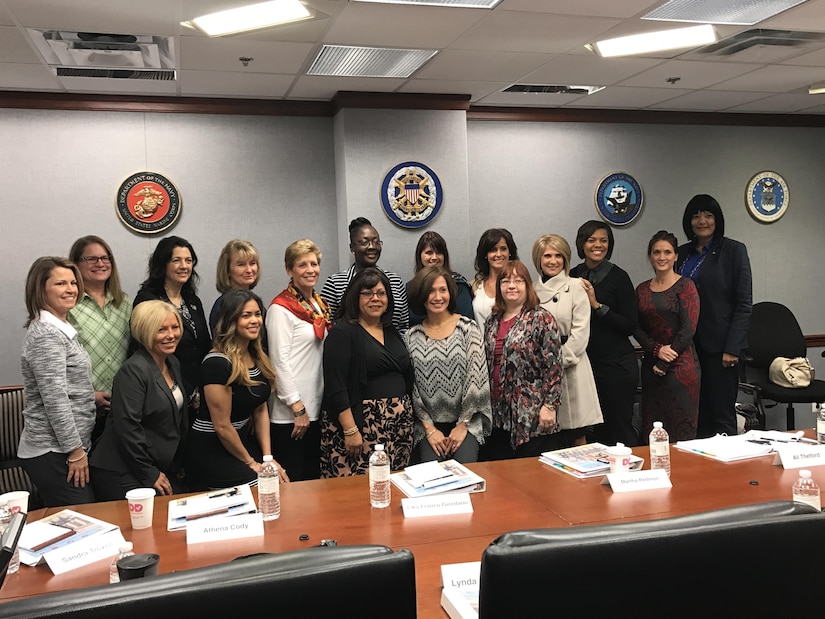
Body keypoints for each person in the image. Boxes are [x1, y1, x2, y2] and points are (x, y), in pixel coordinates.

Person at [186, 290, 287, 489]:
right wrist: (251, 463)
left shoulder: (256, 355)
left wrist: (267, 458)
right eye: (246, 315)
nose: (255, 320)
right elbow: (222, 426)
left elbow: (260, 409)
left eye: (257, 314)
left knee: (278, 478)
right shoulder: (217, 363)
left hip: (239, 444)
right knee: (264, 486)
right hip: (211, 448)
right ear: (231, 320)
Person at [90, 301, 188, 501]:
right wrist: (148, 472)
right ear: (145, 331)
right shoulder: (133, 371)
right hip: (121, 469)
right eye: (161, 330)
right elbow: (127, 427)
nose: (171, 335)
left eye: (175, 327)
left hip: (154, 464)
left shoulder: (172, 362)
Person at [320, 267, 414, 476]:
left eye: (381, 293)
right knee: (358, 494)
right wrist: (350, 429)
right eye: (367, 293)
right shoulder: (342, 332)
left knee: (395, 487)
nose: (375, 299)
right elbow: (336, 385)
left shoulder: (391, 331)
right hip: (360, 427)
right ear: (355, 297)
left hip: (397, 428)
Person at [18, 257, 95, 506]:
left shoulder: (60, 328)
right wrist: (75, 451)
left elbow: (59, 385)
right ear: (41, 289)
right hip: (54, 451)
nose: (71, 289)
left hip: (63, 448)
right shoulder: (46, 335)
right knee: (82, 523)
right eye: (61, 283)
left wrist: (91, 397)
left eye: (73, 282)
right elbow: (55, 400)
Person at [677, 194, 753, 438]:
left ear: (717, 220)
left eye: (708, 215)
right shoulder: (681, 253)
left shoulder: (734, 251)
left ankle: (728, 473)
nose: (702, 221)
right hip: (687, 347)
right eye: (696, 215)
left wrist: (733, 347)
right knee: (695, 415)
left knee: (721, 416)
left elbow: (743, 304)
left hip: (720, 349)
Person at [406, 266, 492, 463]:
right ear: (422, 295)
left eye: (442, 290)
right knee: (431, 477)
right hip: (427, 425)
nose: (437, 297)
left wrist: (463, 424)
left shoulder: (467, 329)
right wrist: (429, 428)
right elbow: (412, 387)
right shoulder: (411, 337)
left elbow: (476, 379)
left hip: (466, 422)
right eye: (431, 291)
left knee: (466, 471)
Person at [483, 260, 563, 460]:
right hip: (498, 414)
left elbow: (554, 367)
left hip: (532, 413)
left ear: (528, 286)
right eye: (506, 281)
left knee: (534, 478)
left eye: (518, 281)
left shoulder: (541, 318)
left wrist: (550, 406)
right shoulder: (492, 321)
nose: (511, 286)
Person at [570, 221, 640, 447]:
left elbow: (630, 325)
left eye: (603, 240)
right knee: (592, 433)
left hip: (616, 366)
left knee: (618, 430)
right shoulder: (572, 275)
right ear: (582, 244)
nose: (597, 245)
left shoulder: (619, 277)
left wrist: (597, 306)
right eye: (591, 240)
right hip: (584, 365)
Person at [266, 239, 330, 481]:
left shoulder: (319, 304)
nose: (310, 269)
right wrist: (297, 406)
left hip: (315, 408)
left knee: (314, 481)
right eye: (302, 265)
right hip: (291, 415)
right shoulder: (280, 309)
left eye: (314, 263)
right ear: (289, 270)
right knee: (296, 483)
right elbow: (278, 362)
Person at [532, 234, 602, 447]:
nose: (553, 261)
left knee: (576, 437)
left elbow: (580, 334)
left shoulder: (576, 286)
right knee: (546, 439)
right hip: (539, 371)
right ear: (538, 260)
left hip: (571, 365)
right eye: (547, 256)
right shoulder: (531, 290)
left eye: (558, 256)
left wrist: (556, 362)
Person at [134, 236, 210, 419]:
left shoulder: (192, 300)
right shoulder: (148, 300)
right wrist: (188, 392)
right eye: (176, 260)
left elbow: (204, 344)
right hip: (165, 392)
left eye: (188, 260)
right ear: (163, 264)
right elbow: (149, 351)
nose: (184, 266)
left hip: (198, 392)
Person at [636, 231, 701, 441]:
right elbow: (635, 327)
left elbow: (688, 328)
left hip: (681, 368)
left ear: (675, 256)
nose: (662, 257)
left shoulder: (686, 286)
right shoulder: (642, 290)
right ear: (650, 256)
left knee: (681, 432)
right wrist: (657, 351)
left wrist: (665, 361)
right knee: (653, 433)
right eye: (656, 252)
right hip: (651, 368)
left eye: (667, 252)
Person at [67, 235, 132, 441]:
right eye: (91, 259)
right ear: (76, 265)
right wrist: (88, 396)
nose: (101, 263)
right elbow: (56, 364)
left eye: (106, 258)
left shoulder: (125, 303)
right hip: (80, 411)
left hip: (122, 409)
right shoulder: (68, 306)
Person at [320, 217, 409, 333]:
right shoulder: (335, 283)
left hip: (391, 348)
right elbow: (326, 326)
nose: (372, 247)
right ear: (352, 247)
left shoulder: (395, 281)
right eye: (364, 242)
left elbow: (404, 326)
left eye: (376, 242)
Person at [407, 231, 474, 326]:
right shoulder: (410, 288)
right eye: (429, 253)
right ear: (420, 256)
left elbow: (466, 320)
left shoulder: (458, 285)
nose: (434, 257)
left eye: (438, 253)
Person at [210, 239, 261, 334]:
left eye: (252, 263)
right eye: (241, 264)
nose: (249, 270)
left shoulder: (254, 302)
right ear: (227, 270)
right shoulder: (223, 306)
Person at [471, 228, 518, 331]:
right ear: (485, 255)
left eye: (503, 249)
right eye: (493, 250)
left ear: (510, 252)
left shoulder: (520, 285)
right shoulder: (474, 286)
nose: (498, 254)